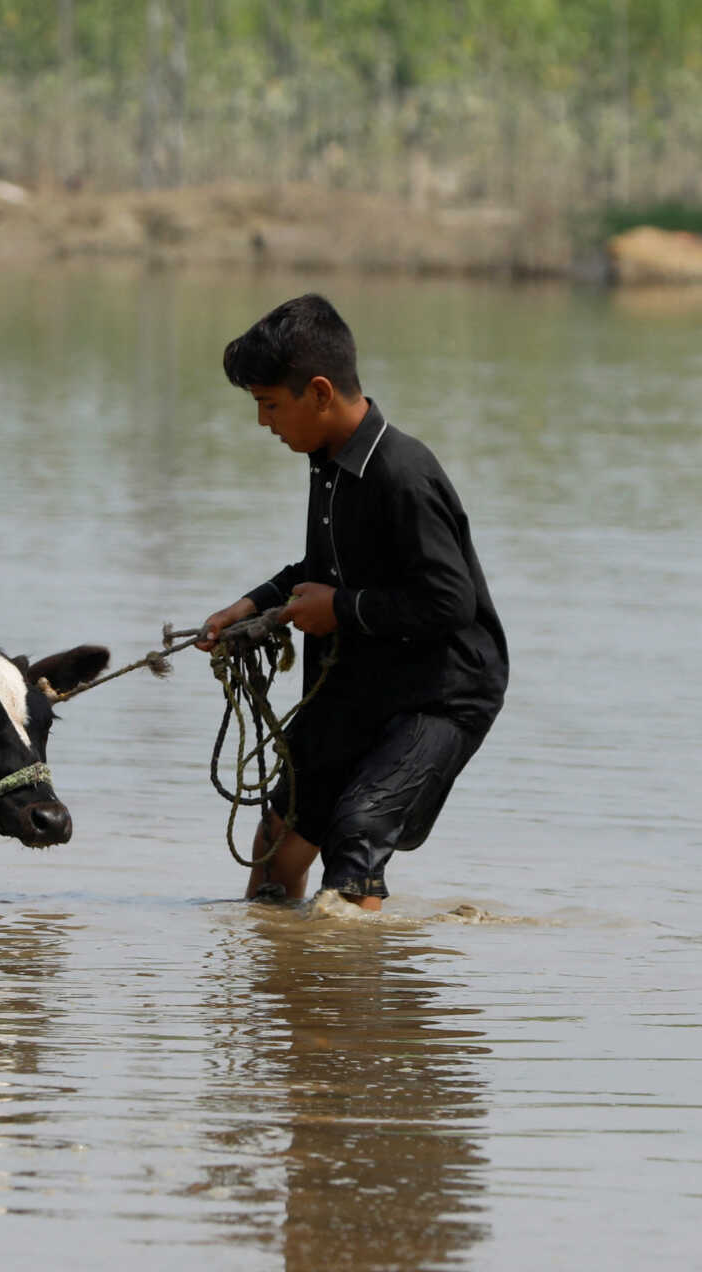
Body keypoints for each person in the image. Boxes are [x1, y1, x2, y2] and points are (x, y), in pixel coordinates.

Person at [199, 294, 507, 914]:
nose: (263, 423)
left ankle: (348, 999)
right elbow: (323, 570)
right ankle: (280, 979)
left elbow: (450, 602)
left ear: (318, 392)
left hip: (440, 692)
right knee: (279, 833)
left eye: (268, 405)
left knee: (358, 830)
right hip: (361, 678)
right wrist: (251, 606)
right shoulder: (329, 464)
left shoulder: (402, 472)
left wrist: (342, 610)